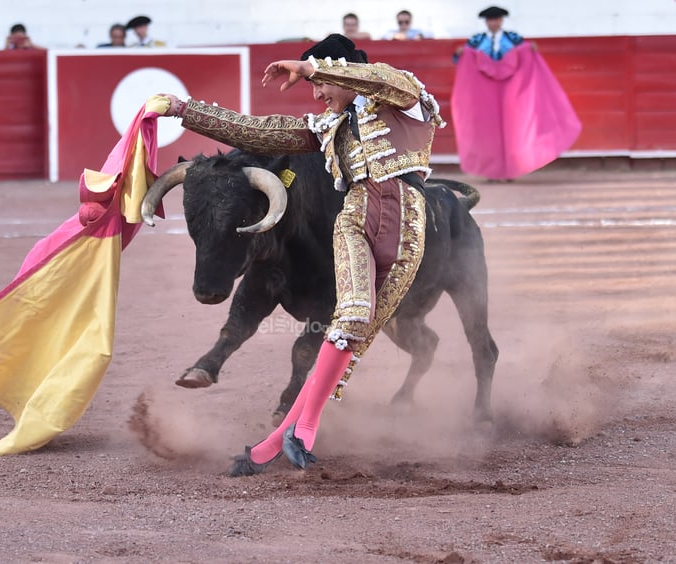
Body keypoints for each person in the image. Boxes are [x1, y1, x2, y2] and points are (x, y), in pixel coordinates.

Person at [157, 33, 445, 476]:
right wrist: (183, 110)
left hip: (405, 223)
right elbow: (259, 132)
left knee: (358, 338)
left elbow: (384, 81)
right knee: (346, 322)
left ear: (340, 70)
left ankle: (280, 437)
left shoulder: (403, 96)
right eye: (314, 87)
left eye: (322, 85)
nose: (317, 95)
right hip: (353, 220)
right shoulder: (326, 127)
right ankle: (299, 431)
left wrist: (314, 68)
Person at [450, 6, 581, 181]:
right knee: (489, 130)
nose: (493, 23)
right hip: (484, 92)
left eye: (496, 19)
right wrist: (460, 54)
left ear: (501, 21)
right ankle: (492, 171)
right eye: (490, 20)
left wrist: (530, 49)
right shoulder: (476, 40)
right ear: (486, 22)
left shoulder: (513, 38)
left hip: (512, 90)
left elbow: (526, 53)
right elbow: (460, 60)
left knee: (513, 130)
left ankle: (512, 170)